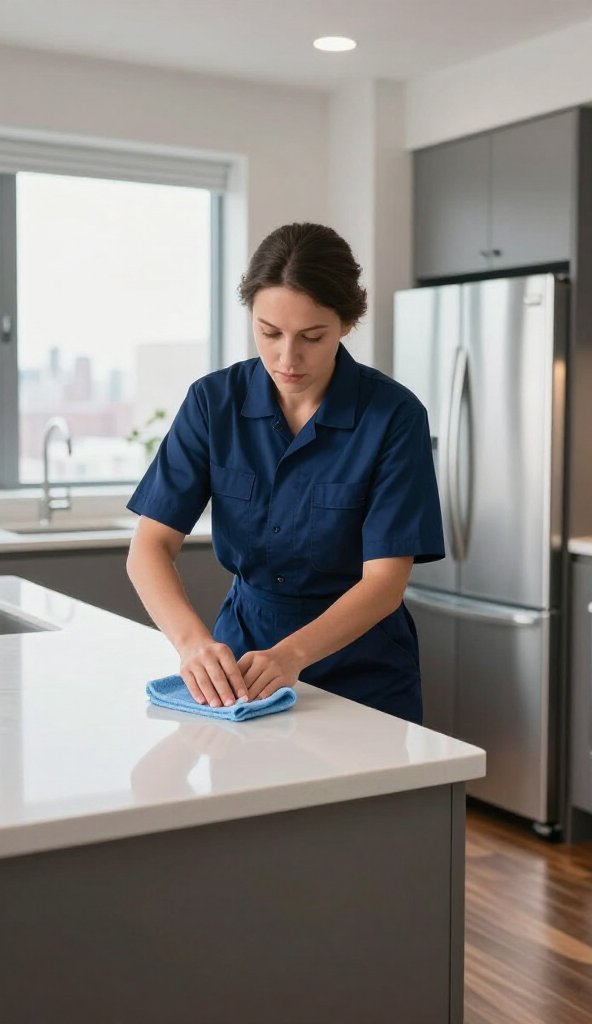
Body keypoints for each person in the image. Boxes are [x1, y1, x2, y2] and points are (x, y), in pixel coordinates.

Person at [126, 222, 444, 724]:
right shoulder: (213, 403)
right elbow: (149, 546)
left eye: (312, 337)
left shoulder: (394, 417)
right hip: (241, 667)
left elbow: (384, 582)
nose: (286, 358)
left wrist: (293, 654)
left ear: (347, 323)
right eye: (268, 333)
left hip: (364, 669)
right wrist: (192, 645)